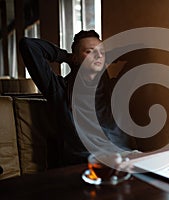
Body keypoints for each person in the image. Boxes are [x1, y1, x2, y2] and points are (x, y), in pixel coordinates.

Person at [19, 30, 136, 166]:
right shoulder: (60, 89)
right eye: (89, 51)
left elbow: (140, 53)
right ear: (75, 58)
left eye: (101, 52)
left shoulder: (114, 87)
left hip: (125, 157)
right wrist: (67, 57)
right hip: (86, 163)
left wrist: (105, 56)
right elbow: (28, 45)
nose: (97, 56)